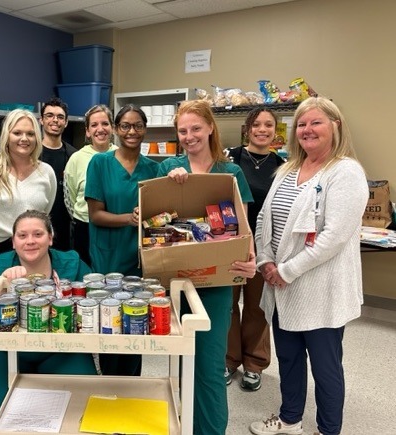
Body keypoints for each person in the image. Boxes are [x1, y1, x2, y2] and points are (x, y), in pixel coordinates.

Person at [249, 97, 368, 435]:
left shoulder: (345, 171)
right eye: (301, 124)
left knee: (326, 367)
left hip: (319, 289)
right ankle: (289, 421)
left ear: (336, 126)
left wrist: (286, 270)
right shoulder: (287, 170)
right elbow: (264, 221)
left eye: (316, 122)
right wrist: (265, 260)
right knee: (288, 359)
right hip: (281, 286)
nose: (307, 130)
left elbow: (334, 237)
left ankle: (328, 430)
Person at [157, 99, 257, 435]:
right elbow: (155, 222)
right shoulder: (169, 167)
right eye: (182, 131)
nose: (189, 136)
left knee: (209, 365)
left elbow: (243, 227)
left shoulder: (230, 173)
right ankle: (185, 426)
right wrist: (169, 184)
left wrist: (250, 260)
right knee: (181, 359)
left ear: (211, 127)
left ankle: (210, 430)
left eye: (195, 128)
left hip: (215, 283)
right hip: (175, 280)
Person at [0, 210, 98, 415]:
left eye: (38, 234)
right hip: (7, 352)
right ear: (13, 242)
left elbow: (95, 302)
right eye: (22, 236)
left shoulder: (73, 263)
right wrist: (2, 286)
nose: (30, 241)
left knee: (84, 405)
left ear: (50, 238)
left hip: (61, 350)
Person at [85, 104, 159, 376]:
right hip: (108, 257)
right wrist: (130, 218)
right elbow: (96, 215)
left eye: (138, 126)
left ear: (145, 130)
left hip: (140, 259)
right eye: (125, 126)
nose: (132, 131)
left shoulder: (153, 168)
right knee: (110, 322)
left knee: (136, 321)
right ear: (116, 129)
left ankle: (131, 385)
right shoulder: (100, 163)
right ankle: (108, 386)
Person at [224, 108, 286, 391]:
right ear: (247, 129)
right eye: (257, 124)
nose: (263, 129)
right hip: (229, 242)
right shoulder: (230, 157)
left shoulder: (284, 165)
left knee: (257, 307)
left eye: (269, 125)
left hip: (264, 247)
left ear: (276, 130)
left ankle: (254, 364)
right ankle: (227, 360)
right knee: (226, 305)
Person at [0, 109, 56, 274]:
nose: (24, 139)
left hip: (33, 251)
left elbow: (45, 213)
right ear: (6, 136)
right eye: (17, 133)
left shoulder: (46, 172)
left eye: (30, 134)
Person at [64, 104, 117, 265]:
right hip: (85, 228)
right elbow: (69, 198)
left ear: (113, 128)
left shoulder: (121, 155)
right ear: (87, 131)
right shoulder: (76, 158)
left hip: (116, 226)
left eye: (105, 124)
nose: (100, 129)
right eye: (94, 125)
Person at [39, 97, 78, 251]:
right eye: (49, 115)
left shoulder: (74, 156)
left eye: (60, 117)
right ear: (41, 120)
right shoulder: (31, 154)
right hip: (37, 228)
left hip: (65, 230)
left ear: (66, 122)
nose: (55, 120)